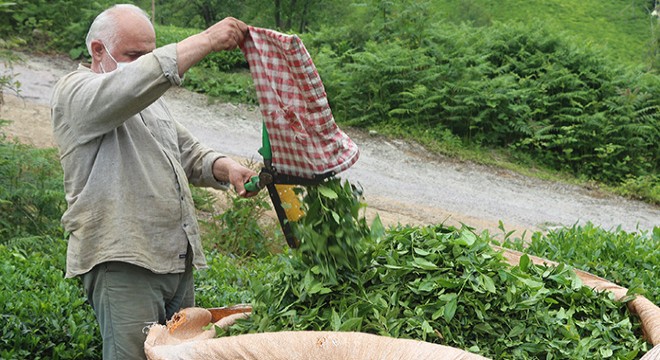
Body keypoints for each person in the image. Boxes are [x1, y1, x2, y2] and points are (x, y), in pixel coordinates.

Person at [50, 4, 256, 359]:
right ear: (98, 50)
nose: (145, 62)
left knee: (177, 354)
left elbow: (187, 151)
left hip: (174, 258)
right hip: (125, 260)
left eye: (149, 53)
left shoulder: (150, 101)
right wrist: (207, 40)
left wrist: (226, 167)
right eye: (134, 54)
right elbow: (127, 87)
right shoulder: (75, 92)